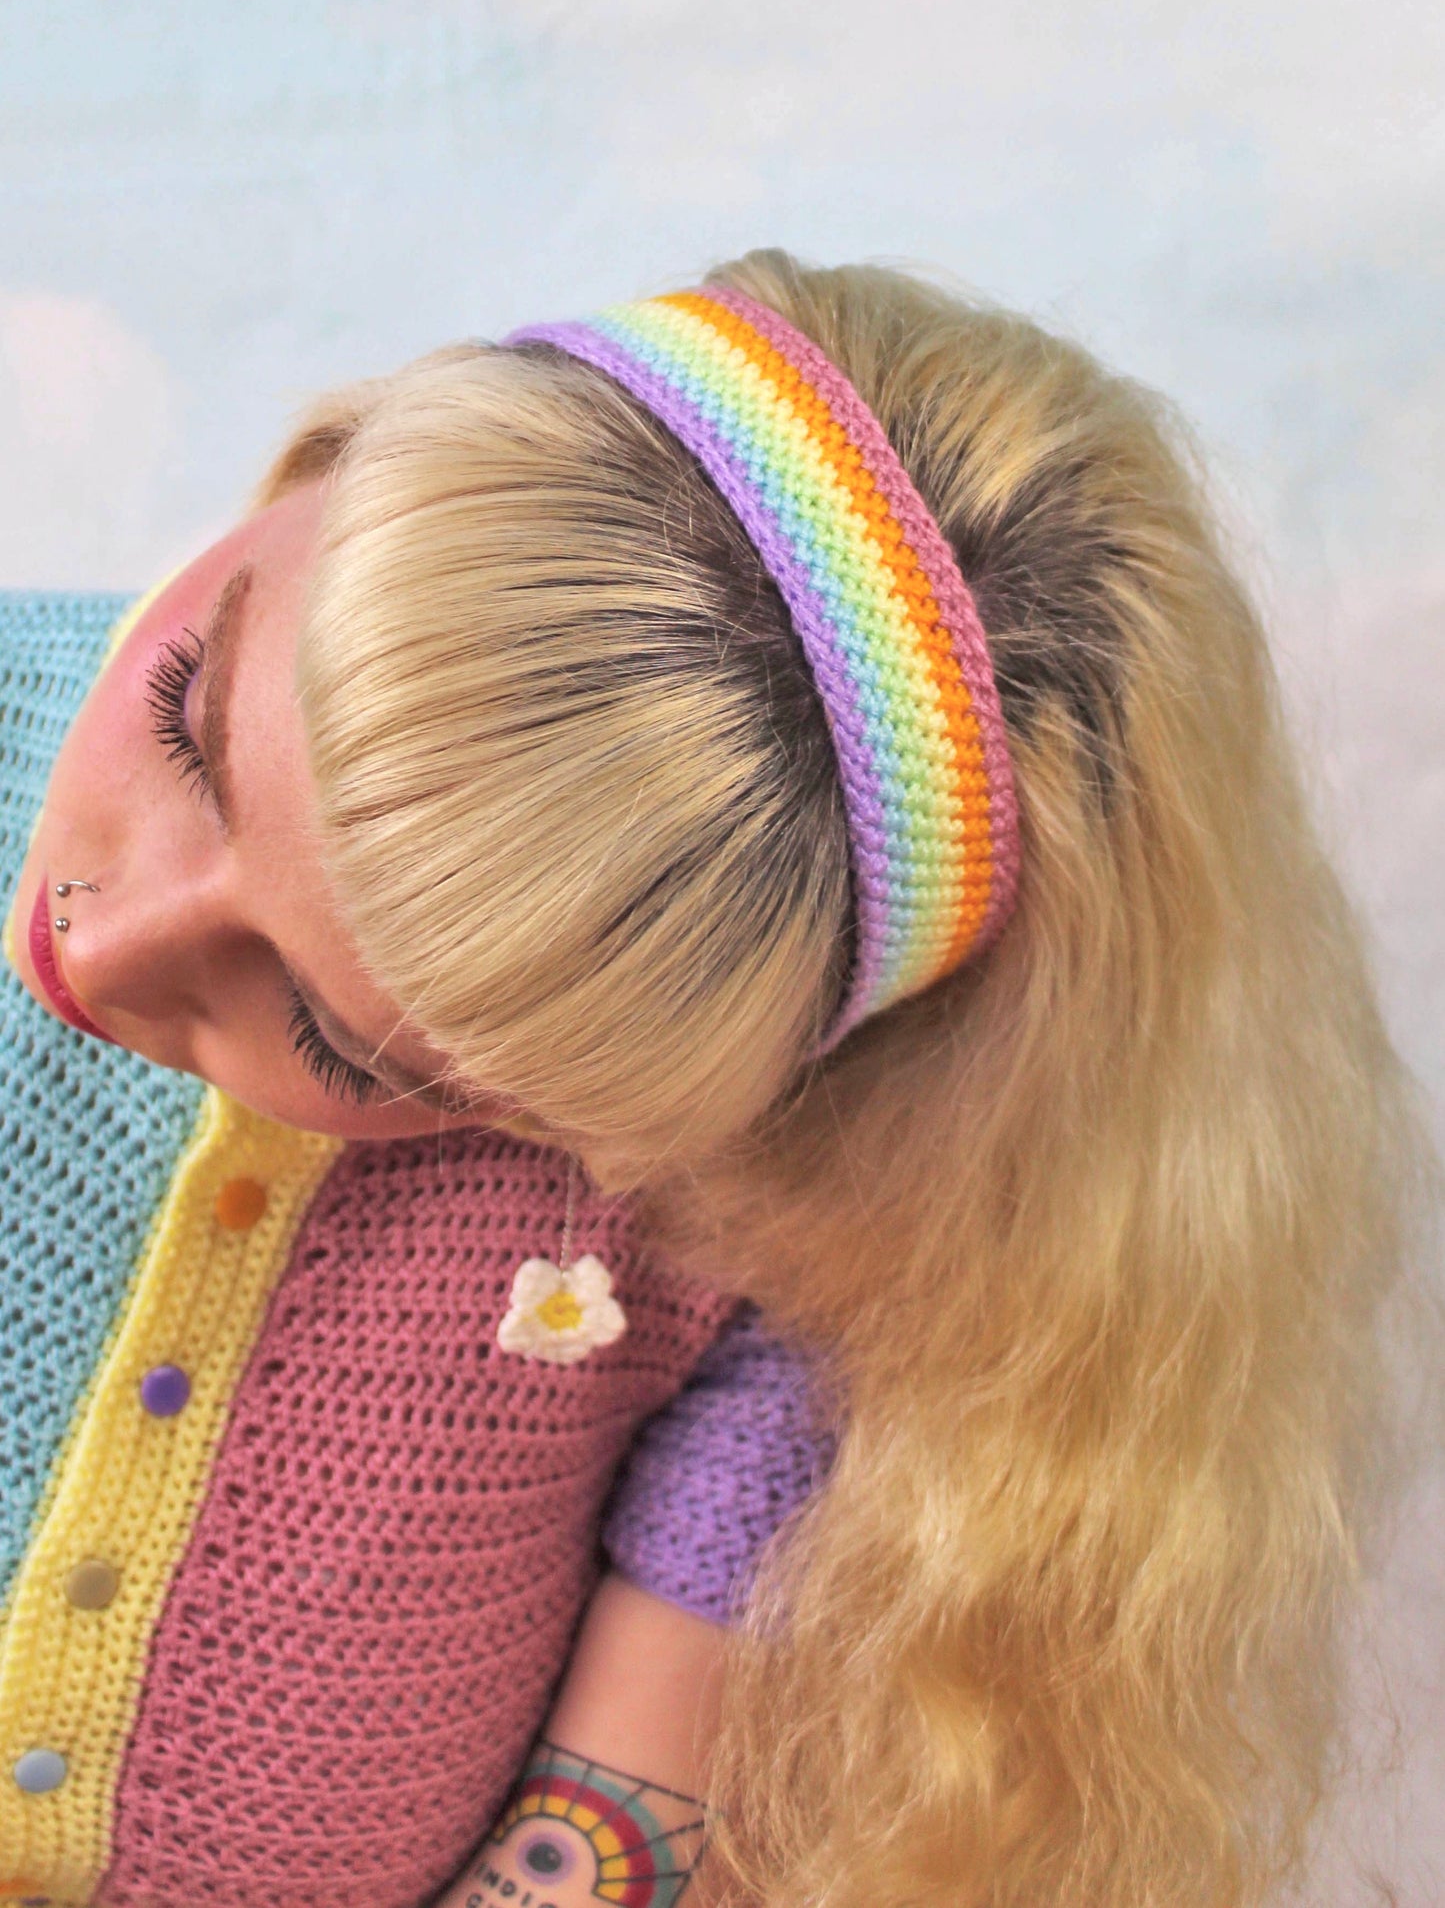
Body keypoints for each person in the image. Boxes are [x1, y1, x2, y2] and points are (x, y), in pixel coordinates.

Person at [2, 250, 1439, 1908]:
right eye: (187, 709)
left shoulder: (730, 1242)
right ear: (348, 455)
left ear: (593, 1112)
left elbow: (600, 1835)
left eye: (337, 1041)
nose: (102, 942)